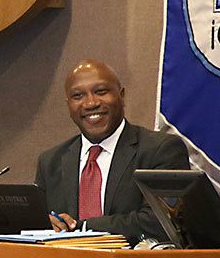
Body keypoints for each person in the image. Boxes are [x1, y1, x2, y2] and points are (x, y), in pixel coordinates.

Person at [35, 60, 189, 242]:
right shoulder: (50, 162)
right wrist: (48, 225)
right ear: (68, 105)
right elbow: (38, 227)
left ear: (121, 96)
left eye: (101, 92)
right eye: (78, 96)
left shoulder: (161, 150)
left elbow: (161, 222)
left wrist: (80, 227)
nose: (90, 103)